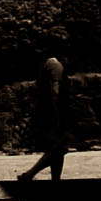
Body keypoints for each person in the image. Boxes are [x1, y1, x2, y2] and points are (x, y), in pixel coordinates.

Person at [16, 55, 70, 183]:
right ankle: (30, 174)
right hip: (52, 112)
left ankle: (54, 179)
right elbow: (55, 91)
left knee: (56, 147)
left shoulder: (46, 64)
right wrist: (57, 116)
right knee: (59, 146)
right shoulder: (54, 65)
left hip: (47, 111)